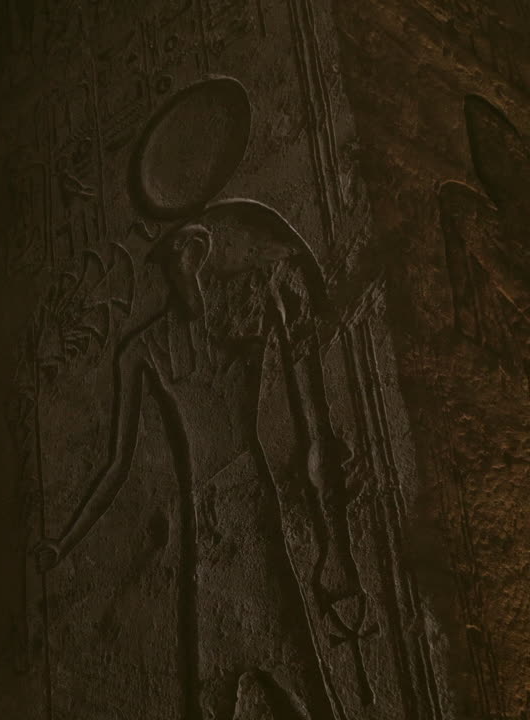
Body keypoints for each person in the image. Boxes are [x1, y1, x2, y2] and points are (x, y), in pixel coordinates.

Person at [35, 200, 365, 720]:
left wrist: (331, 542)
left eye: (180, 257)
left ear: (198, 252)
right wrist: (65, 540)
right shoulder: (141, 350)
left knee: (299, 673)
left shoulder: (251, 309)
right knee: (213, 685)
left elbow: (307, 423)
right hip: (204, 520)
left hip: (255, 506)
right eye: (170, 263)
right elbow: (117, 466)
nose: (177, 272)